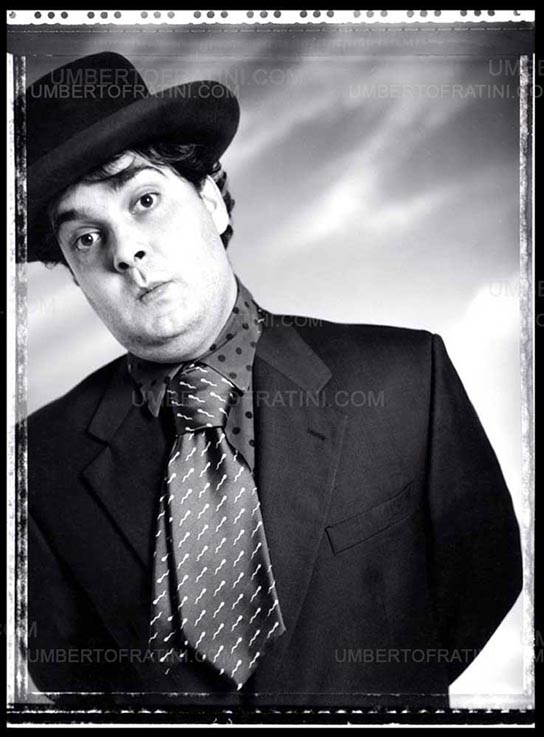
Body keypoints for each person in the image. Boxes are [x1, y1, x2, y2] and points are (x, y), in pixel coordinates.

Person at [20, 52, 523, 710]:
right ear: (76, 275)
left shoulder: (405, 377)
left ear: (210, 200)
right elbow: (73, 681)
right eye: (85, 239)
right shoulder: (38, 462)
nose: (125, 250)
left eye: (144, 200)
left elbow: (483, 579)